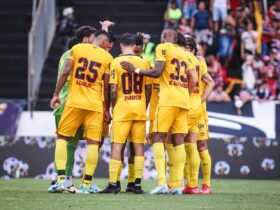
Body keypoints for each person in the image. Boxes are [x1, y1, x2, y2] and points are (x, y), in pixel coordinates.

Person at [120, 27, 197, 195]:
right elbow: (195, 80)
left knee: (157, 136)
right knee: (178, 141)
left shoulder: (162, 47)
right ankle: (177, 185)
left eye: (164, 35)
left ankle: (162, 182)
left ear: (169, 38)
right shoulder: (186, 54)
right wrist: (185, 94)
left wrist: (136, 70)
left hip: (168, 99)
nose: (162, 37)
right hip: (183, 101)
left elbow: (156, 71)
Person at [49, 30, 113, 194]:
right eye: (109, 43)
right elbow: (106, 86)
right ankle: (86, 184)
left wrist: (56, 94)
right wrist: (106, 108)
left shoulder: (77, 49)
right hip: (95, 105)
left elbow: (65, 72)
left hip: (75, 102)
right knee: (93, 143)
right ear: (105, 42)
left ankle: (61, 180)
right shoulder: (107, 58)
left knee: (62, 138)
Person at [101, 34, 151, 194]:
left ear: (122, 44)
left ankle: (113, 184)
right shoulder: (144, 62)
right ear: (133, 45)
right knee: (138, 147)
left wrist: (112, 108)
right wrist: (145, 104)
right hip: (139, 108)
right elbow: (149, 88)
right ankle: (136, 184)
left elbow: (113, 89)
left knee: (117, 146)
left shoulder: (116, 62)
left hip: (122, 109)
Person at [178, 35, 215, 194]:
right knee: (186, 145)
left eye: (187, 47)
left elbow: (210, 83)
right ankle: (189, 184)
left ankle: (206, 185)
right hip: (184, 106)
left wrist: (201, 100)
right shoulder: (179, 61)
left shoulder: (199, 62)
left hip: (197, 109)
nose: (184, 49)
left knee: (200, 145)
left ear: (193, 49)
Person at [48, 37, 80, 193]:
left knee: (64, 142)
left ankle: (60, 179)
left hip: (62, 102)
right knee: (69, 143)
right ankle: (63, 179)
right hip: (70, 102)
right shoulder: (74, 55)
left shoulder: (64, 55)